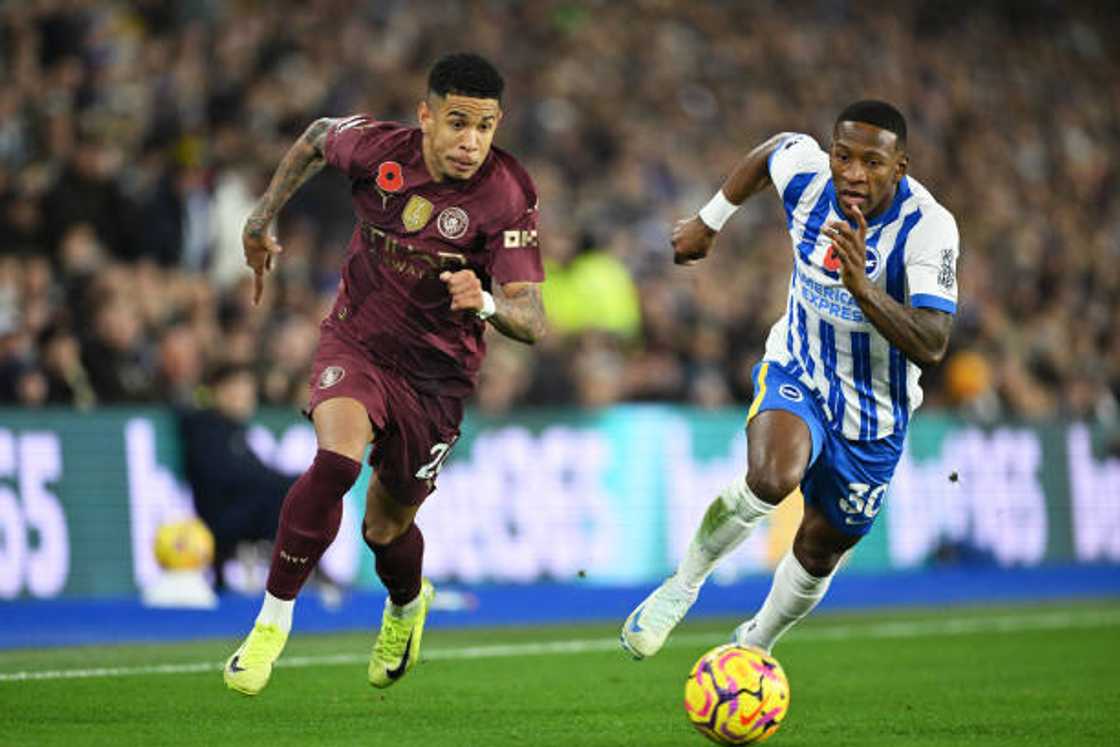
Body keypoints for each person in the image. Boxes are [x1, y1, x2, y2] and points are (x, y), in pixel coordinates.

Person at [225, 53, 547, 695]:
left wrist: (485, 302)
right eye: (458, 123)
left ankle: (405, 605)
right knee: (336, 462)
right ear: (426, 116)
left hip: (436, 380)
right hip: (357, 344)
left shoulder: (509, 192)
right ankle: (271, 623)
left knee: (385, 528)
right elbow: (318, 137)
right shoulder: (378, 150)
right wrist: (261, 219)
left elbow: (533, 319)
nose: (471, 142)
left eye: (485, 127)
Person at [620, 101, 959, 659]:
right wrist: (710, 220)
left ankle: (756, 644)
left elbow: (932, 341)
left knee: (821, 549)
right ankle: (681, 587)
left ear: (900, 168)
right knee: (772, 476)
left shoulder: (929, 228)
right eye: (843, 156)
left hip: (873, 413)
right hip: (799, 366)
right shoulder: (808, 177)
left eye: (872, 163)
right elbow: (774, 150)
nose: (853, 173)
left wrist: (863, 289)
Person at [177, 362, 294, 590]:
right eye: (237, 388)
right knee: (287, 496)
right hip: (219, 521)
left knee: (292, 494)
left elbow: (258, 474)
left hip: (243, 514)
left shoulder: (235, 432)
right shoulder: (207, 429)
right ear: (217, 392)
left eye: (248, 389)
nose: (244, 396)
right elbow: (234, 476)